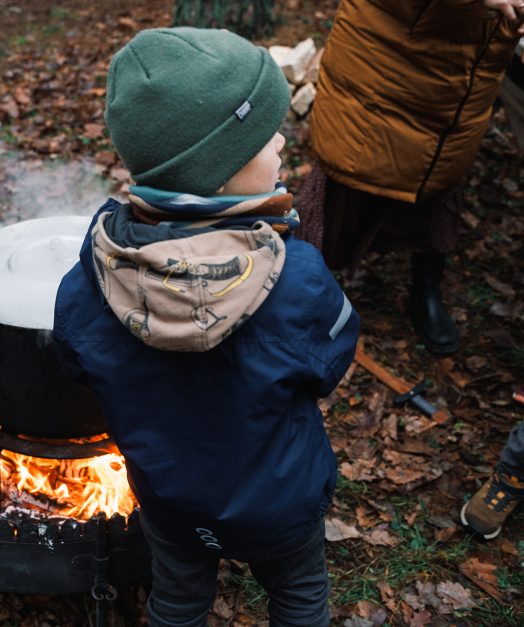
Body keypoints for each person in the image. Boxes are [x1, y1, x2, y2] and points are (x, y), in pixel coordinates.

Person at [53, 28, 360, 627]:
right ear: (219, 172)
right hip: (279, 503)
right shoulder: (296, 279)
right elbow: (330, 366)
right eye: (263, 135)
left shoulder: (87, 283)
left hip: (171, 504)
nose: (279, 141)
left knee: (177, 597)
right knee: (298, 592)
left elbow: (76, 367)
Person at [298, 0, 523, 355]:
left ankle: (425, 289)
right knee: (348, 180)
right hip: (388, 62)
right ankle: (300, 296)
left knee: (439, 178)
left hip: (462, 77)